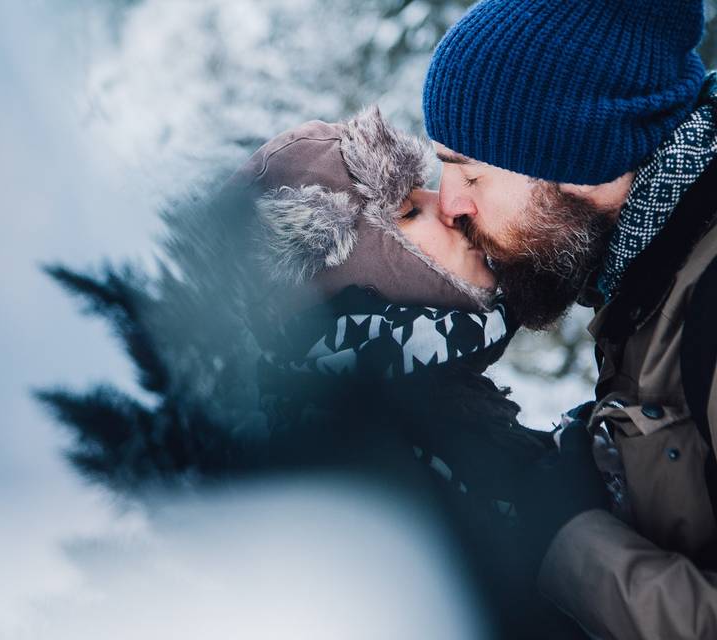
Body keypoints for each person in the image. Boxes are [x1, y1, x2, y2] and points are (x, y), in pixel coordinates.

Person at [422, 0, 717, 637]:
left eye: (469, 171)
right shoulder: (651, 272)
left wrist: (571, 541)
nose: (449, 205)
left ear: (579, 154)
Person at [229, 106, 581, 638]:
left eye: (422, 190)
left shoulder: (418, 401)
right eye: (408, 211)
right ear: (350, 280)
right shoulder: (357, 460)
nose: (450, 206)